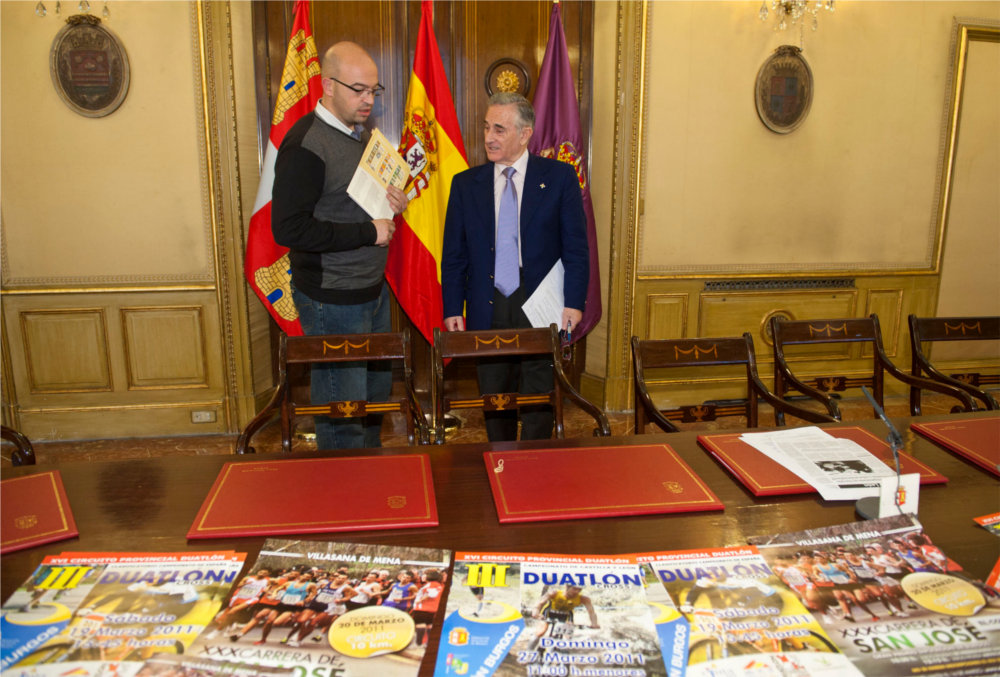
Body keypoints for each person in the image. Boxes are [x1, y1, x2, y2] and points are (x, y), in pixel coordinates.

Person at [272, 41, 409, 450]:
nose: (368, 100)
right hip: (332, 299)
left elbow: (346, 204)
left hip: (371, 290)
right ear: (328, 85)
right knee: (342, 411)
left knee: (374, 400)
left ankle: (367, 476)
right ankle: (342, 484)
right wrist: (369, 232)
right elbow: (289, 229)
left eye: (374, 90)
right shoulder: (307, 144)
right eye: (358, 90)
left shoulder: (357, 135)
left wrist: (392, 203)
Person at [440, 92, 589, 441]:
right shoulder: (466, 184)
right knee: (495, 396)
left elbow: (576, 248)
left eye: (499, 129)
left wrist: (574, 303)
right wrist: (453, 307)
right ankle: (501, 459)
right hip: (488, 300)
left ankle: (536, 462)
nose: (489, 137)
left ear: (525, 134)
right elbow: (454, 255)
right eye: (486, 127)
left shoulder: (559, 178)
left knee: (540, 395)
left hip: (539, 301)